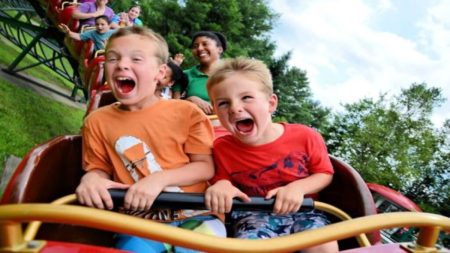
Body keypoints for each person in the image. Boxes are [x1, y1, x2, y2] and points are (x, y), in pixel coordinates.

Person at [76, 26, 225, 253]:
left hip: (196, 212)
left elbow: (205, 167)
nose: (122, 65)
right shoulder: (97, 121)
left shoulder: (187, 112)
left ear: (160, 73)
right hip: (139, 217)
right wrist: (91, 180)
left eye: (136, 59)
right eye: (113, 58)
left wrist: (158, 180)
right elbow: (98, 168)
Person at [204, 57, 339, 253]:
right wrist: (222, 185)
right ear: (215, 110)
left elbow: (324, 173)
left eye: (247, 98)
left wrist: (297, 188)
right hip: (254, 214)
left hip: (304, 211)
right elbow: (222, 180)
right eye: (223, 103)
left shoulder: (305, 136)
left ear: (271, 103)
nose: (234, 108)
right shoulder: (221, 148)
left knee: (323, 244)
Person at [172, 31, 226, 115]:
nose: (200, 48)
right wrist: (190, 100)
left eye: (205, 44)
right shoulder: (184, 75)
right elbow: (174, 108)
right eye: (195, 46)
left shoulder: (233, 75)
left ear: (219, 49)